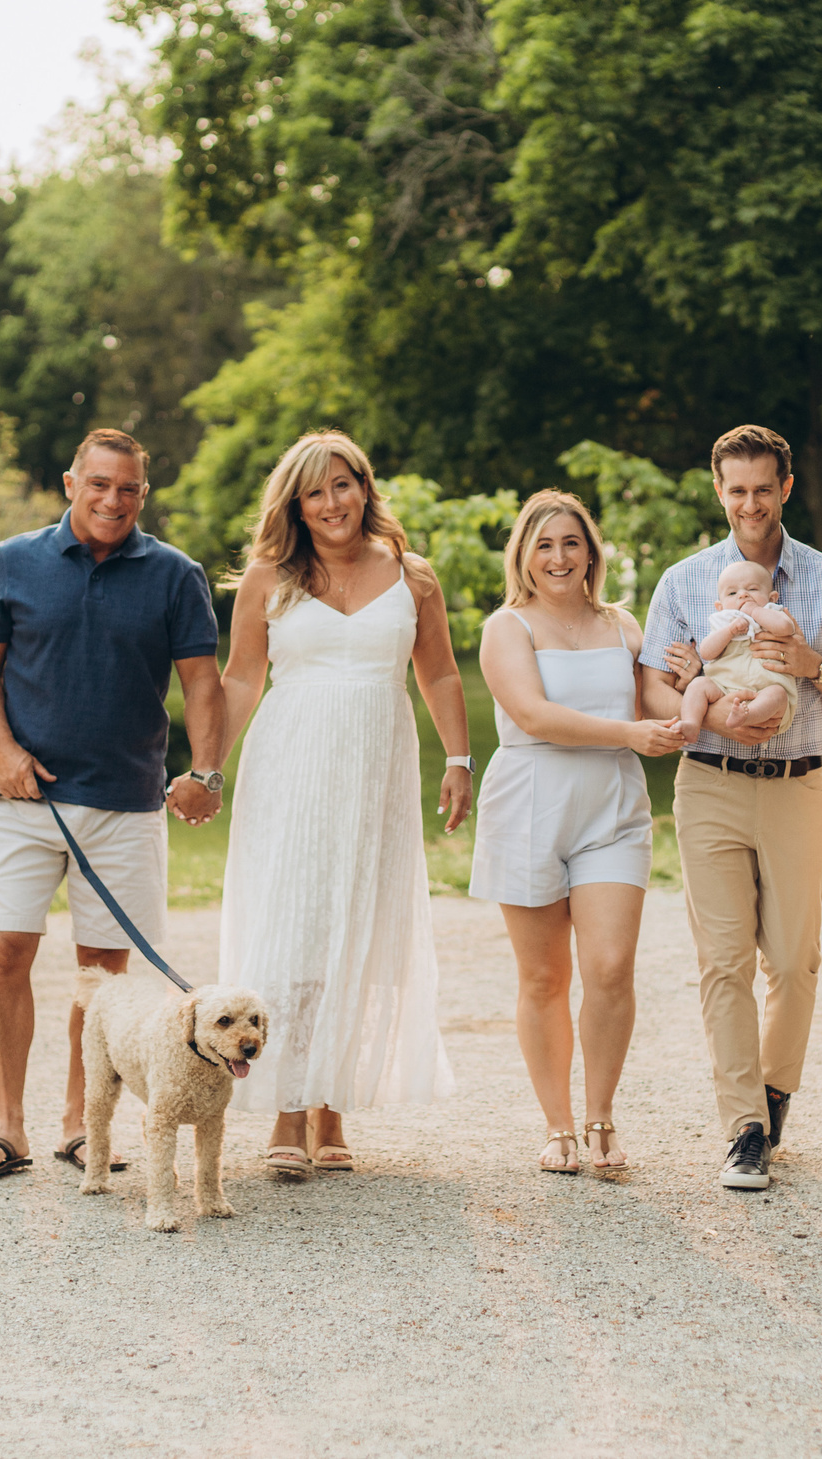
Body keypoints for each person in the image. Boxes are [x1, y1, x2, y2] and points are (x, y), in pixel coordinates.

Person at [0, 430, 227, 1180]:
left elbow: (203, 681)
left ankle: (83, 1125)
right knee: (5, 952)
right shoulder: (15, 560)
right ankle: (9, 1126)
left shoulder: (175, 573)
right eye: (99, 483)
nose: (113, 499)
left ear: (143, 494)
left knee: (101, 975)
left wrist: (206, 771)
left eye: (128, 488)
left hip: (125, 803)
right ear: (70, 482)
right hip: (20, 796)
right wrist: (3, 752)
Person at [215, 430, 473, 1175]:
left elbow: (443, 675)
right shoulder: (270, 577)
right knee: (292, 931)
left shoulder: (412, 575)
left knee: (356, 930)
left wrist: (458, 759)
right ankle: (287, 1114)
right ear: (296, 503)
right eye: (315, 491)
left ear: (365, 487)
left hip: (376, 775)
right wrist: (208, 768)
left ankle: (334, 1110)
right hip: (290, 769)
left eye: (343, 485)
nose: (332, 503)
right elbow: (240, 680)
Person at [642, 424, 822, 1191]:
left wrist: (811, 664)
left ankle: (775, 1092)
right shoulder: (684, 583)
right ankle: (744, 1126)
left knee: (795, 959)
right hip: (708, 781)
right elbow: (654, 685)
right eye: (735, 489)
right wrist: (709, 714)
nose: (750, 502)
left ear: (785, 489)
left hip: (797, 783)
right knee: (722, 962)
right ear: (720, 491)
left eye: (763, 488)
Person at [471, 491, 688, 1175]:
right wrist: (629, 733)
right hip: (530, 803)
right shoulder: (508, 627)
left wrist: (697, 687)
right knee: (542, 977)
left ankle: (601, 1116)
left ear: (591, 551)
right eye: (544, 545)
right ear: (524, 557)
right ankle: (558, 1125)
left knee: (609, 967)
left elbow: (658, 706)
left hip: (612, 812)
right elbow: (533, 715)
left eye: (571, 543)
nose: (559, 557)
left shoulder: (623, 624)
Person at [674, 560, 803, 736]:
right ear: (720, 606)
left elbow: (786, 628)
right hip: (724, 688)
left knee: (777, 694)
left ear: (772, 597)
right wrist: (729, 631)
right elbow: (706, 652)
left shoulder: (771, 611)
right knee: (698, 685)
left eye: (752, 589)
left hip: (767, 689)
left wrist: (755, 611)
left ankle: (746, 716)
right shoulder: (723, 621)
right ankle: (690, 723)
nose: (743, 596)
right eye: (733, 593)